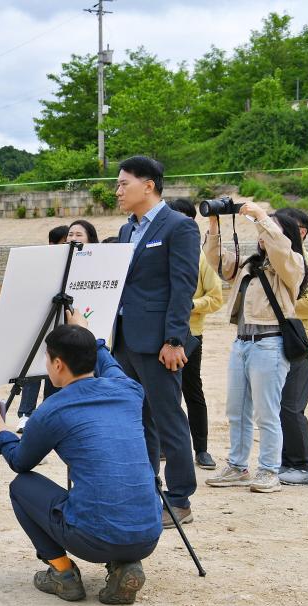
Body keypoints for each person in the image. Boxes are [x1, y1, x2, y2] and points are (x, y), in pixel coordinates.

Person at [0, 310, 162, 605]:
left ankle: (63, 574)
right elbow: (106, 359)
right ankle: (126, 564)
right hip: (148, 534)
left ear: (58, 364)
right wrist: (85, 331)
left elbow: (19, 462)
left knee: (21, 486)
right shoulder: (128, 389)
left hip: (92, 539)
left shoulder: (52, 410)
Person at [112, 155, 200, 527]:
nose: (117, 191)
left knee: (168, 420)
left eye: (123, 183)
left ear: (148, 185)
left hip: (160, 343)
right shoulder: (125, 231)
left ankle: (179, 498)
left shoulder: (179, 227)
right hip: (124, 341)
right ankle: (148, 490)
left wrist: (175, 339)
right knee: (137, 420)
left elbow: (183, 287)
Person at [204, 205, 308, 493]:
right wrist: (214, 224)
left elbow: (282, 252)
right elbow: (219, 262)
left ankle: (269, 470)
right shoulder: (251, 264)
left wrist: (262, 217)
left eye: (269, 228)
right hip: (241, 343)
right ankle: (237, 466)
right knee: (237, 410)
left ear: (282, 234)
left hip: (270, 343)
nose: (262, 233)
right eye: (262, 229)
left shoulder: (292, 264)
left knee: (266, 413)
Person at [167, 198, 224, 470]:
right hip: (159, 334)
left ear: (191, 222)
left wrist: (190, 305)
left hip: (190, 335)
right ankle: (165, 447)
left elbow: (216, 298)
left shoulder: (201, 259)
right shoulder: (158, 252)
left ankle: (201, 449)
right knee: (163, 393)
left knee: (192, 390)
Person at [274, 207, 308, 486]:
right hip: (277, 342)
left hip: (301, 345)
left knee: (291, 407)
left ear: (299, 231)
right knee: (278, 406)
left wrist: (280, 305)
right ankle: (286, 463)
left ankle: (304, 467)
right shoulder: (278, 262)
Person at [17, 224, 73, 429]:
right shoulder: (39, 266)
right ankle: (26, 414)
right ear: (52, 244)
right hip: (40, 325)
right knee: (34, 370)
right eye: (64, 242)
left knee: (56, 369)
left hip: (64, 327)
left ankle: (49, 411)